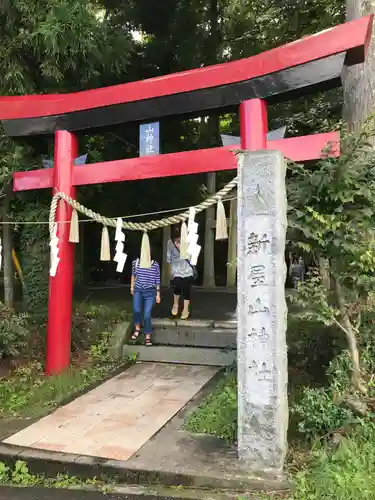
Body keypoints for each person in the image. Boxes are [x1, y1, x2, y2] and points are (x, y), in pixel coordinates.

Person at [130, 258, 161, 345]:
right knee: (136, 310)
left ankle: (148, 336)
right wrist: (132, 287)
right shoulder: (136, 262)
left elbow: (157, 279)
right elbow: (133, 275)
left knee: (147, 314)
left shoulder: (155, 264)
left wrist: (158, 294)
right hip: (138, 290)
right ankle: (137, 328)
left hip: (150, 292)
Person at [167, 235, 195, 319]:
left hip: (187, 269)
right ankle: (175, 304)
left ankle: (186, 309)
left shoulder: (190, 239)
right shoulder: (170, 242)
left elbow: (193, 255)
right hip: (176, 270)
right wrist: (170, 270)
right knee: (177, 286)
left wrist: (185, 248)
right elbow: (169, 257)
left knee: (186, 288)